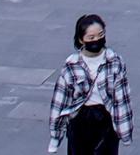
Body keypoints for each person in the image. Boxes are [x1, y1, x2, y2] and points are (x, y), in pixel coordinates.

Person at [46, 13, 133, 155]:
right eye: (91, 38)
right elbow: (60, 102)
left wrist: (125, 132)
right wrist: (55, 137)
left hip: (105, 121)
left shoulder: (115, 62)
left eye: (100, 35)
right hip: (80, 120)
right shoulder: (72, 65)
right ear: (81, 40)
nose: (97, 40)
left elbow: (122, 100)